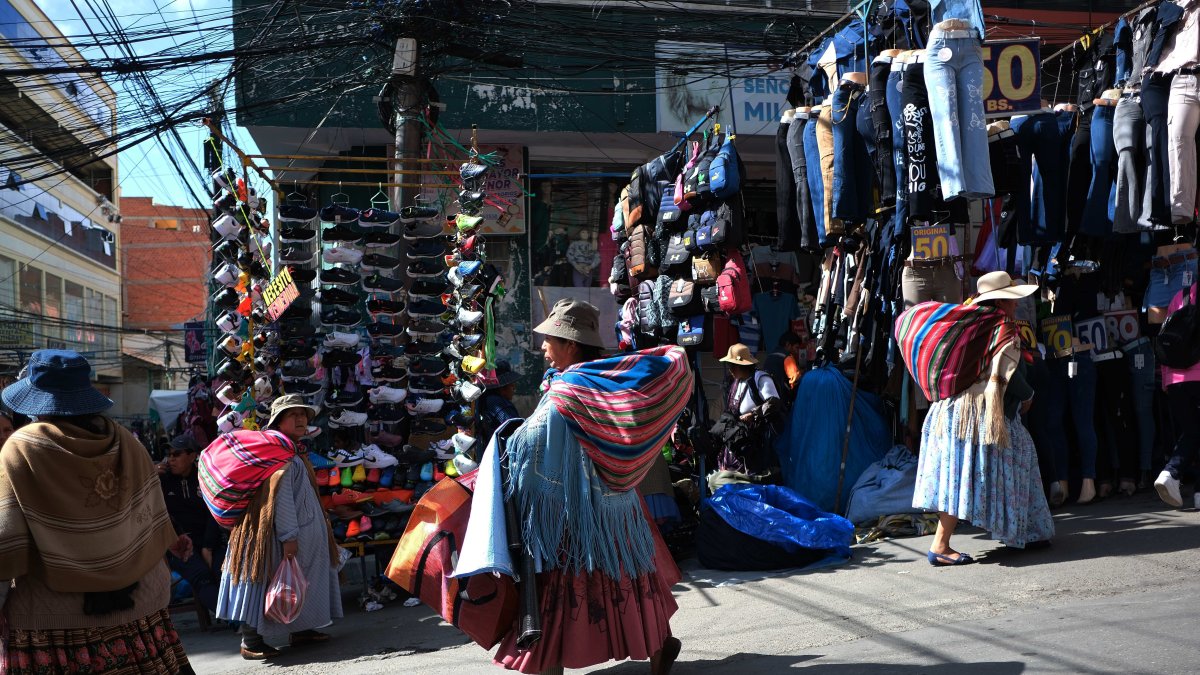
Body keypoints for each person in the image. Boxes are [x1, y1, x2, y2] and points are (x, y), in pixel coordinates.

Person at [488, 299, 691, 674]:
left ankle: (552, 664)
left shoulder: (569, 391)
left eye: (550, 339)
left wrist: (505, 446)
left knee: (564, 590)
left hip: (577, 514)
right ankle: (659, 647)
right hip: (615, 509)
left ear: (571, 344)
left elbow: (532, 445)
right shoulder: (605, 382)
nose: (544, 348)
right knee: (628, 581)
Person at [0, 349, 193, 673]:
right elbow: (151, 513)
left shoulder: (21, 450)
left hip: (56, 622)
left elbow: (6, 540)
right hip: (138, 610)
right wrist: (171, 542)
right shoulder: (125, 441)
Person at [897, 272, 1055, 566]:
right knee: (1013, 462)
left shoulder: (968, 324)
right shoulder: (1000, 328)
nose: (1015, 306)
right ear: (1001, 302)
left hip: (950, 412)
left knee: (962, 478)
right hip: (980, 415)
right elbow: (1011, 376)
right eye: (1011, 300)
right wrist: (1029, 395)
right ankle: (942, 545)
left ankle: (1025, 532)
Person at [205, 394, 342, 659]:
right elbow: (280, 499)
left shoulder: (291, 450)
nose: (301, 419)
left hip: (296, 531)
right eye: (294, 415)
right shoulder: (278, 453)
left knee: (298, 582)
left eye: (304, 415)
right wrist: (289, 536)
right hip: (273, 535)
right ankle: (251, 641)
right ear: (279, 420)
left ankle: (302, 630)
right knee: (261, 581)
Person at [159, 433, 221, 614]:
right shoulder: (162, 480)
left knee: (224, 572)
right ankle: (236, 621)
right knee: (201, 576)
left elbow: (214, 513)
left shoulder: (205, 477)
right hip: (180, 545)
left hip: (209, 540)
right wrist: (151, 475)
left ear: (192, 456)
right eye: (169, 454)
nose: (171, 459)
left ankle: (243, 619)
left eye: (176, 454)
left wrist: (208, 547)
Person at [1152, 279, 1200, 509]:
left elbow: (1164, 338)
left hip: (1174, 381)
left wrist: (1165, 378)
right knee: (1194, 433)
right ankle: (1171, 472)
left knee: (1192, 431)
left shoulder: (1178, 298)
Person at [718, 343, 783, 474]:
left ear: (741, 365)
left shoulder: (761, 379)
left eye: (732, 365)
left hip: (759, 445)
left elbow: (774, 403)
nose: (730, 369)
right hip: (739, 445)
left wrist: (753, 414)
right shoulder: (736, 382)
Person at [477, 360, 520, 449]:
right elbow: (517, 431)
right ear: (502, 388)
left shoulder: (487, 400)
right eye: (512, 385)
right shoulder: (500, 405)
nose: (514, 388)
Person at [762, 332, 804, 406]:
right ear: (788, 344)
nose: (797, 351)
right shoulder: (787, 358)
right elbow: (795, 380)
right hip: (783, 400)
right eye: (796, 347)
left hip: (768, 398)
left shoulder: (770, 356)